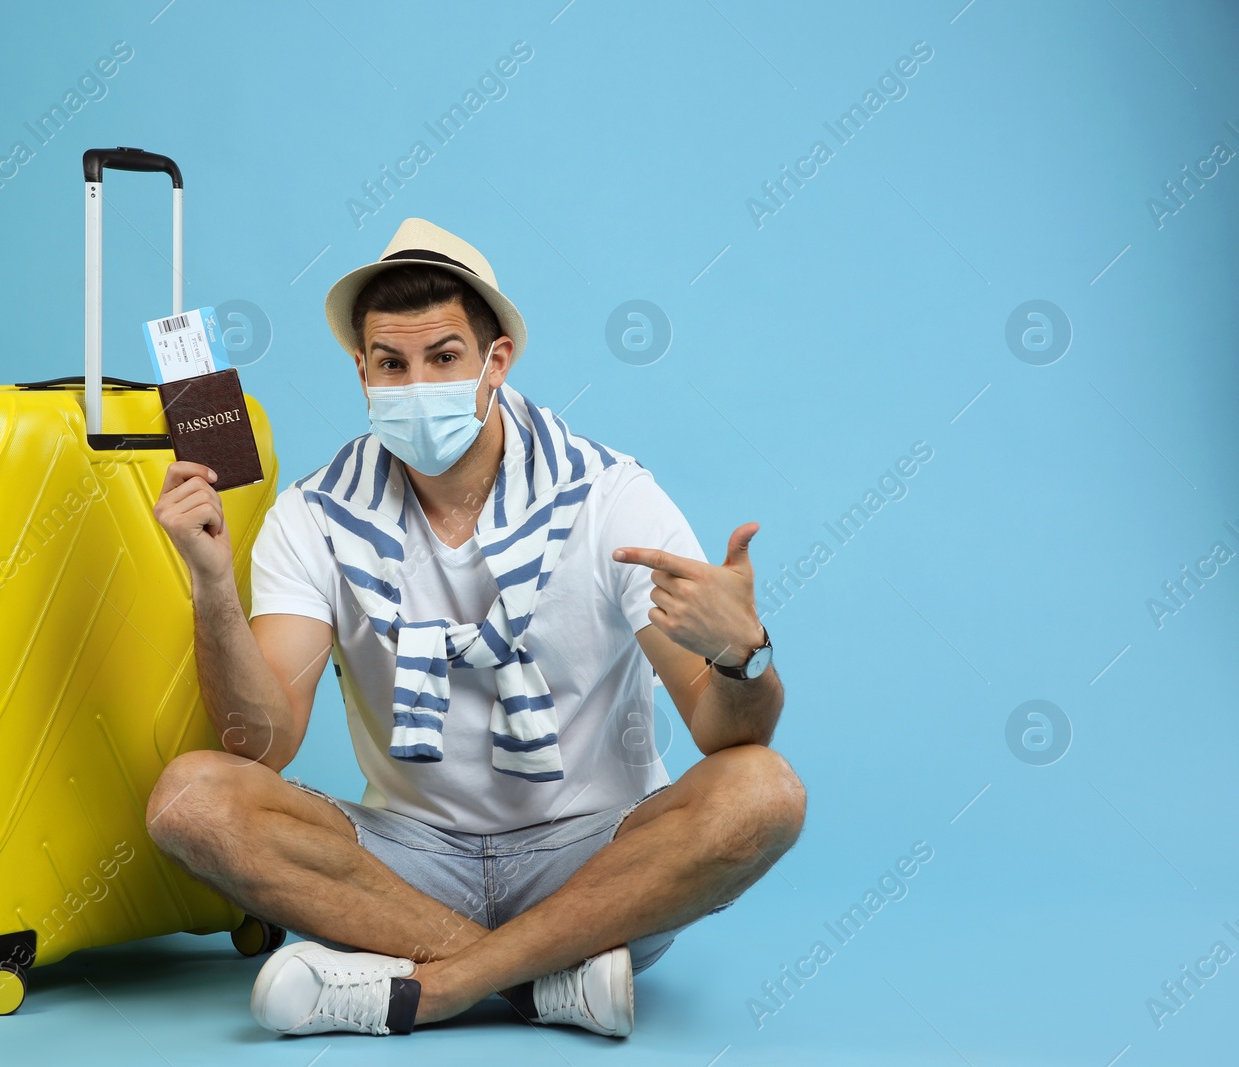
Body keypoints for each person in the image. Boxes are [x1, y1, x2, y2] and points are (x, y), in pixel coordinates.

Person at [146, 218, 804, 1038]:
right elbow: (261, 742)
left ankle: (435, 986)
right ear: (361, 371)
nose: (415, 383)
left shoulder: (608, 496)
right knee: (191, 799)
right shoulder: (314, 516)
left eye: (444, 357)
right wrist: (211, 585)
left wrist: (741, 654)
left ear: (496, 362)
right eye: (391, 363)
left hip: (596, 861)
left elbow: (723, 731)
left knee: (764, 789)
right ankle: (542, 984)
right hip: (406, 867)